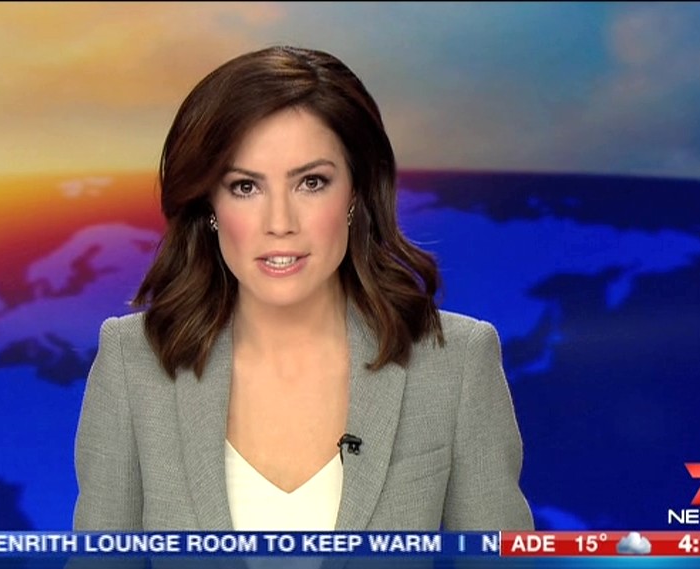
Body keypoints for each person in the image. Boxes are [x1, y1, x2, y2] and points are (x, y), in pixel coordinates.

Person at [72, 45, 534, 535]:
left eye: (311, 182)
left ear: (356, 191)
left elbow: (505, 564)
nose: (280, 223)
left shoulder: (455, 362)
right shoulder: (133, 362)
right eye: (245, 187)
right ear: (209, 205)